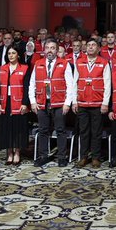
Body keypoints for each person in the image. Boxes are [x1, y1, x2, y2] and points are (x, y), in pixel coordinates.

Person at [29, 39, 74, 167]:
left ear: (57, 50)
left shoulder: (64, 63)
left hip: (59, 102)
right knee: (43, 130)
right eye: (47, 48)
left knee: (60, 130)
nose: (50, 50)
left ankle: (61, 157)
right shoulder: (38, 64)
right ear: (44, 50)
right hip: (42, 102)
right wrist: (33, 101)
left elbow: (70, 85)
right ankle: (43, 156)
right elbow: (32, 84)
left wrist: (67, 103)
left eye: (53, 48)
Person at [73, 39, 110, 167]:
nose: (90, 47)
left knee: (96, 132)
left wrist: (105, 103)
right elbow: (74, 82)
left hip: (97, 103)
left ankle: (95, 157)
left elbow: (107, 84)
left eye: (93, 45)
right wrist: (74, 101)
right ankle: (83, 157)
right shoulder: (79, 62)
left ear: (99, 49)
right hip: (82, 102)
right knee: (83, 132)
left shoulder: (104, 62)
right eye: (88, 45)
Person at [0, 45, 30, 165]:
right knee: (7, 128)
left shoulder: (25, 68)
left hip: (19, 102)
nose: (10, 55)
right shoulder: (2, 68)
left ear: (18, 55)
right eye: (9, 53)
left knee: (18, 128)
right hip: (5, 102)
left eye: (13, 53)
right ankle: (9, 153)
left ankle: (17, 153)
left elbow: (27, 88)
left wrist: (25, 103)